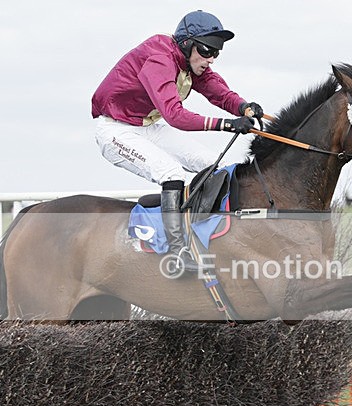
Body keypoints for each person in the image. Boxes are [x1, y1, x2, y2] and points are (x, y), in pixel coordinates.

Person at [91, 10, 264, 276]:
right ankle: (178, 252)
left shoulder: (190, 61)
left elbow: (219, 92)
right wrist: (228, 124)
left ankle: (214, 235)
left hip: (145, 126)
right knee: (171, 174)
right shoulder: (159, 60)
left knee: (213, 166)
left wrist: (243, 107)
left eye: (216, 52)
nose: (211, 59)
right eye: (207, 51)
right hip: (115, 130)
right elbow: (175, 116)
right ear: (187, 43)